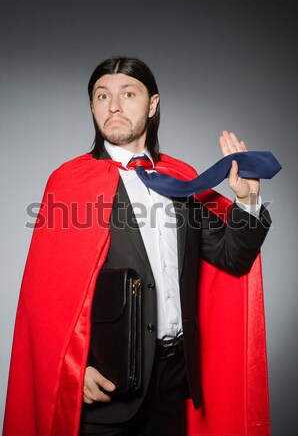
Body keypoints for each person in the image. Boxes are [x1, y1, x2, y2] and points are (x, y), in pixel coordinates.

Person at [3, 56, 272, 436]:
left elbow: (233, 257)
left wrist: (246, 201)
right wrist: (70, 370)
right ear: (92, 107)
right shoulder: (68, 182)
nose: (113, 106)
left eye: (128, 94)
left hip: (175, 382)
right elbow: (42, 300)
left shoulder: (181, 180)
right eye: (102, 96)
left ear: (152, 105)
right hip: (107, 389)